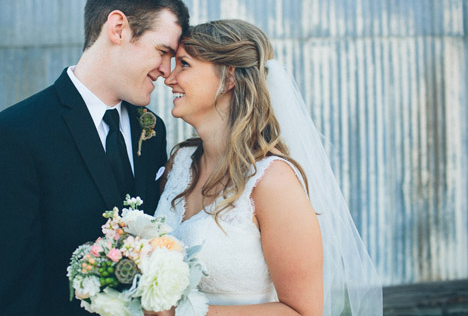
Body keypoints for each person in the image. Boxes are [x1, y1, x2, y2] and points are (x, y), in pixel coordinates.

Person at [0, 0, 188, 315]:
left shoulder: (152, 130)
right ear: (118, 28)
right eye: (163, 51)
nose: (167, 71)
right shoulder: (12, 137)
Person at [155, 20, 382, 315]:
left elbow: (303, 311)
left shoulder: (273, 182)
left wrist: (183, 313)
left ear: (228, 78)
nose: (169, 78)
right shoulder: (180, 162)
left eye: (183, 64)